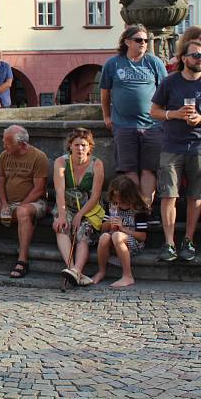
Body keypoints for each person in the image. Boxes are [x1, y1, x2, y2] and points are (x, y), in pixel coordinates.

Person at [100, 24, 167, 210]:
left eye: (146, 40)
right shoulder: (113, 64)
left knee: (149, 169)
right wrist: (106, 116)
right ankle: (135, 209)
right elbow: (105, 93)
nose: (143, 43)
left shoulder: (154, 63)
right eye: (139, 40)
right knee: (129, 170)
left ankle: (145, 208)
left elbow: (165, 91)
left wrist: (165, 117)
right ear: (127, 41)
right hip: (123, 125)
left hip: (153, 125)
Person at [150, 28, 201, 262]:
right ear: (183, 58)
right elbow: (154, 112)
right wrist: (174, 114)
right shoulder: (170, 83)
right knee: (168, 195)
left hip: (198, 146)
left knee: (195, 196)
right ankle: (169, 243)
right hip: (172, 146)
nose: (199, 60)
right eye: (196, 56)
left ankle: (188, 241)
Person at [0, 125, 48, 278]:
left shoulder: (38, 157)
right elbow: (0, 182)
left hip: (34, 202)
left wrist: (20, 206)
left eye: (7, 143)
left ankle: (22, 260)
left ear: (21, 144)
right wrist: (4, 203)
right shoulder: (4, 156)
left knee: (22, 212)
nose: (4, 146)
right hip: (9, 201)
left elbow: (39, 189)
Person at [52, 128, 104, 287]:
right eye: (76, 145)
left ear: (89, 147)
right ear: (70, 146)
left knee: (83, 233)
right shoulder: (61, 162)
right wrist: (62, 214)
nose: (80, 149)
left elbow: (96, 195)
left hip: (89, 207)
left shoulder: (97, 164)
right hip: (66, 204)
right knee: (61, 227)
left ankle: (76, 269)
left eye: (83, 145)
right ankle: (72, 270)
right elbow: (59, 190)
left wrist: (80, 215)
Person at [92, 175, 149, 288]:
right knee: (104, 237)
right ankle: (101, 271)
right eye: (115, 197)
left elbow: (142, 237)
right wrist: (109, 224)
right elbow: (102, 229)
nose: (117, 201)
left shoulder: (138, 209)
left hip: (132, 243)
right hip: (114, 239)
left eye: (121, 198)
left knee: (117, 236)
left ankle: (127, 276)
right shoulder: (112, 205)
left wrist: (123, 229)